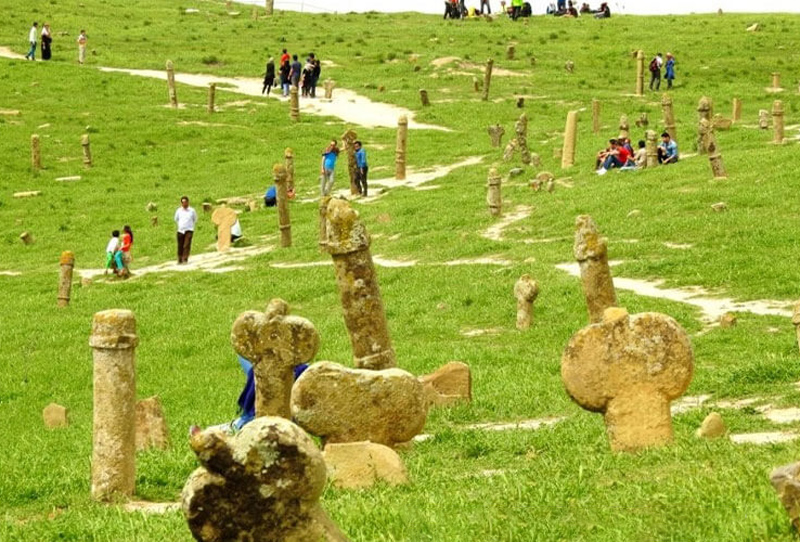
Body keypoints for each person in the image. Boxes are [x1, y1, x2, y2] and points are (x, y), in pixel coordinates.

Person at [174, 196, 198, 264]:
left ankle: (185, 258)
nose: (184, 204)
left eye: (185, 202)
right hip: (180, 230)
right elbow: (176, 219)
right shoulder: (178, 211)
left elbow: (195, 219)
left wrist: (190, 225)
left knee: (186, 245)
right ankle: (179, 258)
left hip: (189, 229)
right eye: (183, 203)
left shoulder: (192, 210)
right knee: (180, 245)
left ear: (188, 202)